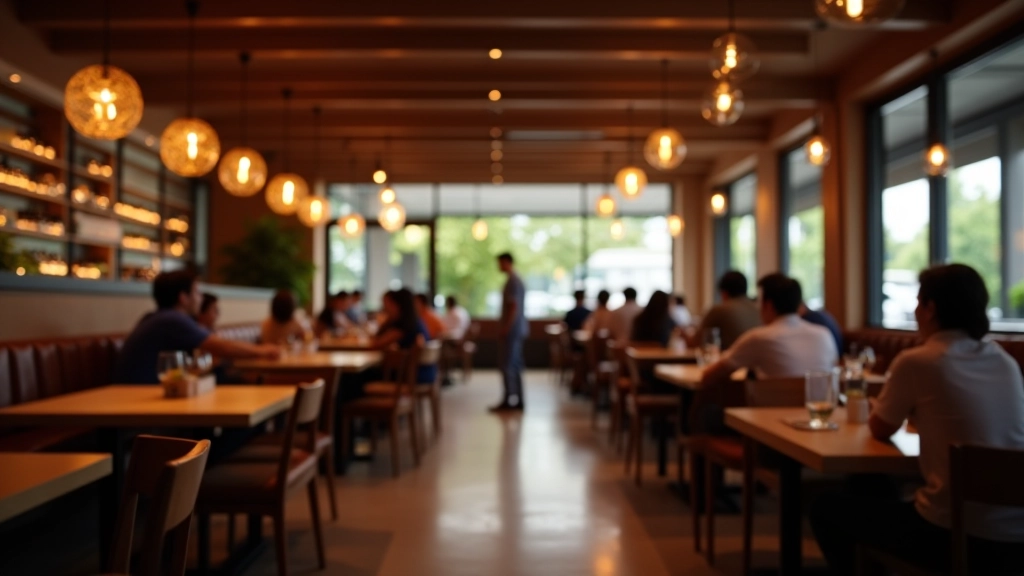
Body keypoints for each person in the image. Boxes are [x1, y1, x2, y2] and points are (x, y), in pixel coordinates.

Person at [810, 264, 1024, 575]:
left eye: (917, 302)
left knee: (825, 508)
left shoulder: (918, 361)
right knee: (870, 484)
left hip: (953, 534)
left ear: (930, 308)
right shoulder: (1004, 362)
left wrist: (889, 408)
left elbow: (880, 427)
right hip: (1017, 538)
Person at [115, 271, 279, 384]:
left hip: (142, 395)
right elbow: (224, 347)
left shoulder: (155, 318)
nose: (200, 298)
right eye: (197, 292)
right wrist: (264, 351)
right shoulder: (172, 320)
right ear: (183, 297)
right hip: (143, 400)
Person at [700, 274, 837, 388]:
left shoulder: (759, 337)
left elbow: (711, 375)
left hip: (770, 415)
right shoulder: (824, 334)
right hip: (821, 414)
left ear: (768, 305)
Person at [374, 289, 436, 384]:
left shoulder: (405, 325)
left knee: (361, 377)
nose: (385, 308)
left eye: (388, 304)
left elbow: (377, 344)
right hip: (424, 372)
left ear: (398, 305)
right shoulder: (416, 321)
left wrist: (388, 319)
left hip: (412, 374)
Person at [492, 252, 527, 411]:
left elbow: (514, 307)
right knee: (515, 365)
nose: (498, 266)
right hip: (516, 330)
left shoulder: (513, 281)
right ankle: (517, 399)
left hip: (512, 331)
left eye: (499, 263)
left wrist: (506, 328)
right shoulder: (515, 280)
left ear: (506, 262)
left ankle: (509, 399)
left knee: (508, 365)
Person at [691, 270, 761, 350]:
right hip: (760, 360)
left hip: (732, 361)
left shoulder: (719, 310)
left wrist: (683, 335)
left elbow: (697, 342)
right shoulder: (758, 309)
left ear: (724, 292)